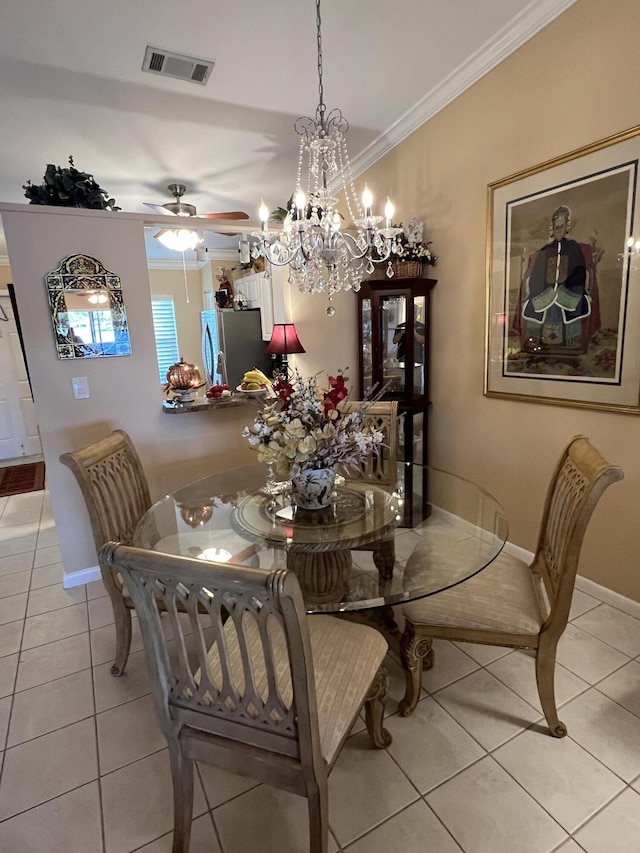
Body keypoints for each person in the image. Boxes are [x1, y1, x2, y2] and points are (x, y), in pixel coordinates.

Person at [515, 204, 600, 352]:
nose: (558, 230)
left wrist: (567, 287)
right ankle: (536, 340)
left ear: (566, 227)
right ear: (552, 228)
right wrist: (539, 290)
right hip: (545, 291)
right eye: (556, 227)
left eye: (561, 227)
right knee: (537, 304)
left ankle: (571, 342)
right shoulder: (546, 250)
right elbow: (536, 275)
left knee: (564, 304)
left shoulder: (573, 248)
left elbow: (579, 271)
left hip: (569, 290)